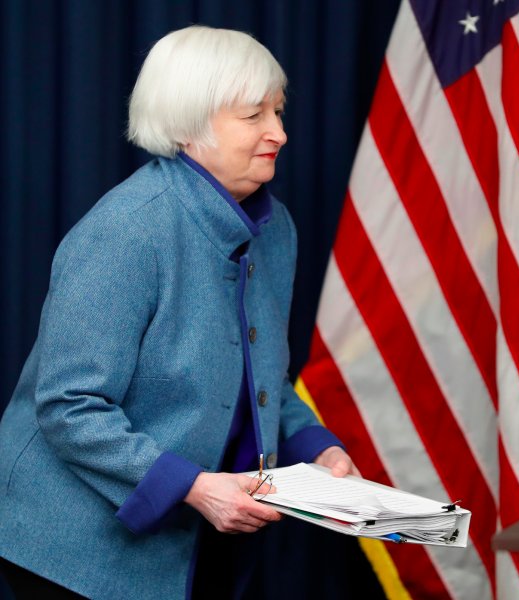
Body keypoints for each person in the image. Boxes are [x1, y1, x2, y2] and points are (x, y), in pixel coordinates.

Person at [0, 25, 358, 599]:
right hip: (77, 549)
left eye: (279, 112)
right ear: (191, 125)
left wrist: (316, 446)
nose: (280, 133)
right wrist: (192, 486)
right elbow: (68, 406)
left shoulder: (277, 229)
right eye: (254, 116)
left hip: (206, 538)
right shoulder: (127, 229)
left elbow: (257, 374)